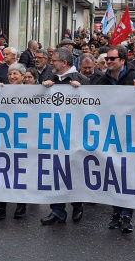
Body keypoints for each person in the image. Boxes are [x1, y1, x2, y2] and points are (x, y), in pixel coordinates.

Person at [95, 45, 135, 233]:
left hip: (131, 136)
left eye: (112, 59)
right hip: (110, 136)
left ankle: (127, 215)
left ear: (122, 60)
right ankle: (116, 213)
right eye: (107, 59)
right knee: (114, 176)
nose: (108, 62)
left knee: (128, 176)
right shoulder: (101, 81)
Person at [40, 48, 89, 225]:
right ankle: (58, 210)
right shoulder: (50, 78)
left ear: (65, 63)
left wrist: (80, 89)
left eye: (54, 60)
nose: (51, 63)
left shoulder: (83, 80)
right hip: (54, 134)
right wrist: (43, 89)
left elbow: (95, 103)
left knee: (75, 171)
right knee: (56, 171)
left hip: (76, 134)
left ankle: (77, 205)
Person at [0, 64, 28, 222]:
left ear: (23, 76)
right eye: (10, 74)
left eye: (15, 73)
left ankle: (21, 204)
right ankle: (1, 206)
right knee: (2, 171)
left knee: (21, 171)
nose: (11, 76)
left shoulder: (31, 92)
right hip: (4, 137)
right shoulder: (2, 90)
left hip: (23, 138)